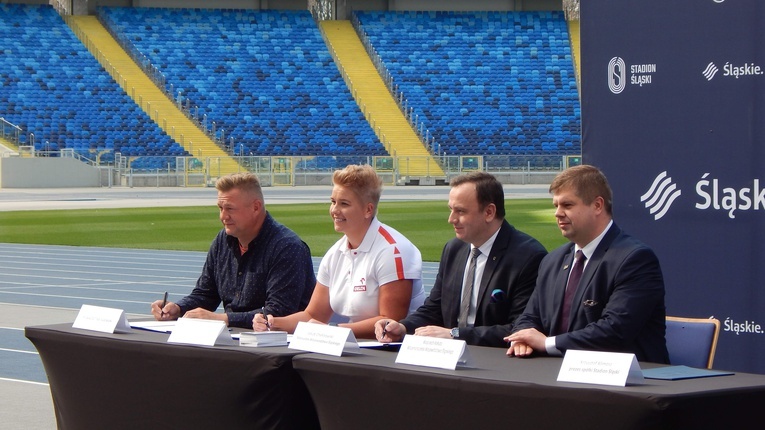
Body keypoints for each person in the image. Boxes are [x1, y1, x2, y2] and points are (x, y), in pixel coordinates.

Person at [505, 165, 669, 363]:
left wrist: (547, 343)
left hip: (628, 382)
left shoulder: (635, 259)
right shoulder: (552, 260)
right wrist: (522, 338)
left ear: (598, 205)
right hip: (558, 376)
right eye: (555, 205)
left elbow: (615, 331)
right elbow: (529, 316)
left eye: (567, 205)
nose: (557, 213)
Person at [374, 172, 547, 347]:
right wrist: (403, 327)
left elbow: (520, 328)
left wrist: (455, 334)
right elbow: (434, 308)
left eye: (460, 211)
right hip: (448, 354)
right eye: (451, 209)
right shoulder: (454, 249)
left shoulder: (528, 257)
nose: (451, 219)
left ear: (489, 212)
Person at [253, 164, 425, 339]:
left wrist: (333, 330)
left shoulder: (393, 251)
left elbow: (390, 322)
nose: (334, 210)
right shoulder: (335, 254)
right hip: (351, 346)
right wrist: (271, 323)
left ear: (368, 209)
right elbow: (313, 316)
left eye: (344, 204)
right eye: (333, 202)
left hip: (392, 352)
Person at [150, 172, 315, 328]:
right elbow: (206, 294)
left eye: (230, 209)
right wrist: (178, 308)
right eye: (220, 208)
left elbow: (278, 313)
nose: (223, 216)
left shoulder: (287, 248)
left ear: (256, 207)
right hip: (235, 340)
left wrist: (223, 319)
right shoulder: (223, 241)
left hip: (279, 345)